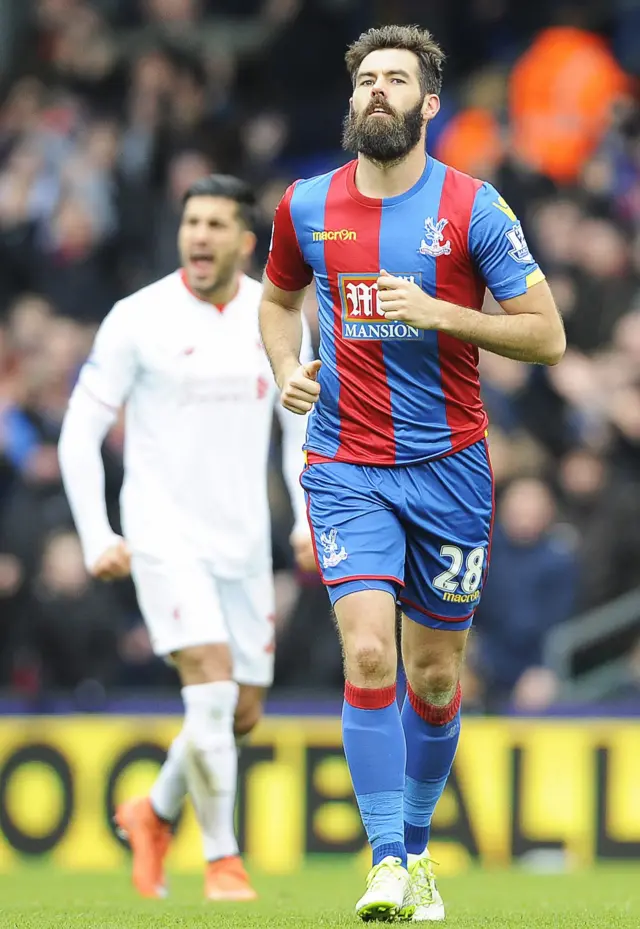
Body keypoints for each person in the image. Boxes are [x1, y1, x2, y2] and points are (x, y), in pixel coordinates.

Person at [259, 24, 565, 922]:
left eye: (396, 80)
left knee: (434, 679)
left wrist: (441, 312)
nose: (377, 92)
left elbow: (546, 335)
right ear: (352, 101)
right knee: (366, 651)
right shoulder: (306, 205)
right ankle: (386, 860)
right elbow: (278, 303)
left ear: (430, 104)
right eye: (365, 81)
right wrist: (287, 367)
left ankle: (420, 850)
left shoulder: (474, 207)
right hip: (347, 461)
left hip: (452, 471)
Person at [58, 174, 315, 902]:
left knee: (240, 710)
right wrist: (96, 533)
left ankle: (152, 811)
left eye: (214, 224)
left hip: (242, 539)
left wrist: (303, 517)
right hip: (162, 534)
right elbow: (79, 431)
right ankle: (223, 861)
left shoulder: (279, 315)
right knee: (208, 689)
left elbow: (299, 428)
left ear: (245, 240)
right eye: (190, 221)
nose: (198, 235)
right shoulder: (137, 318)